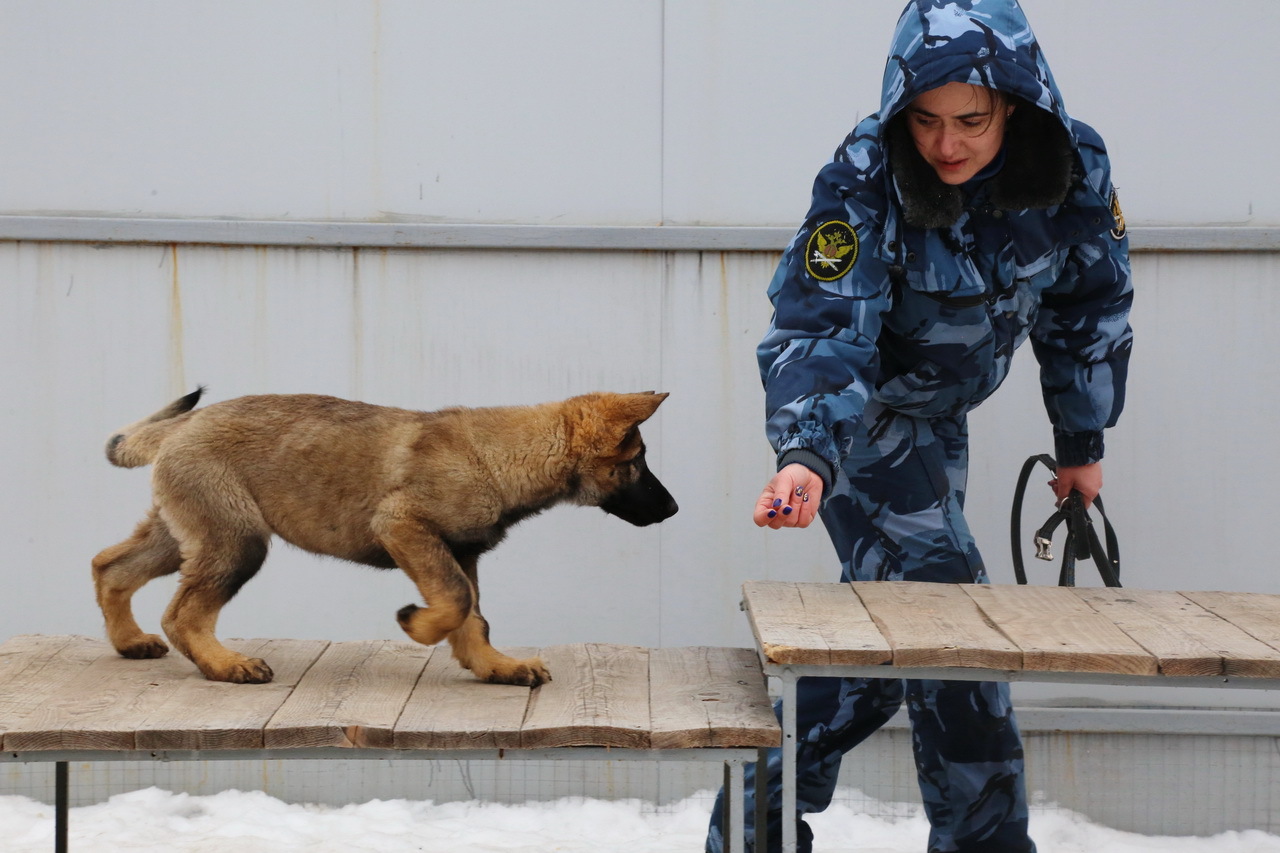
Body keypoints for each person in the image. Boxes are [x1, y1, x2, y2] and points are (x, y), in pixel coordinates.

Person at [706, 2, 1133, 852]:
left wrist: (1081, 442)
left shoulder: (1069, 163)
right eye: (927, 120)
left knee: (883, 649)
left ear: (1015, 103)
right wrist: (807, 455)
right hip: (861, 420)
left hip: (940, 421)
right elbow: (824, 325)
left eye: (971, 120)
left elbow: (1090, 302)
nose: (947, 145)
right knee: (949, 623)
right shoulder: (867, 172)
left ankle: (753, 817)